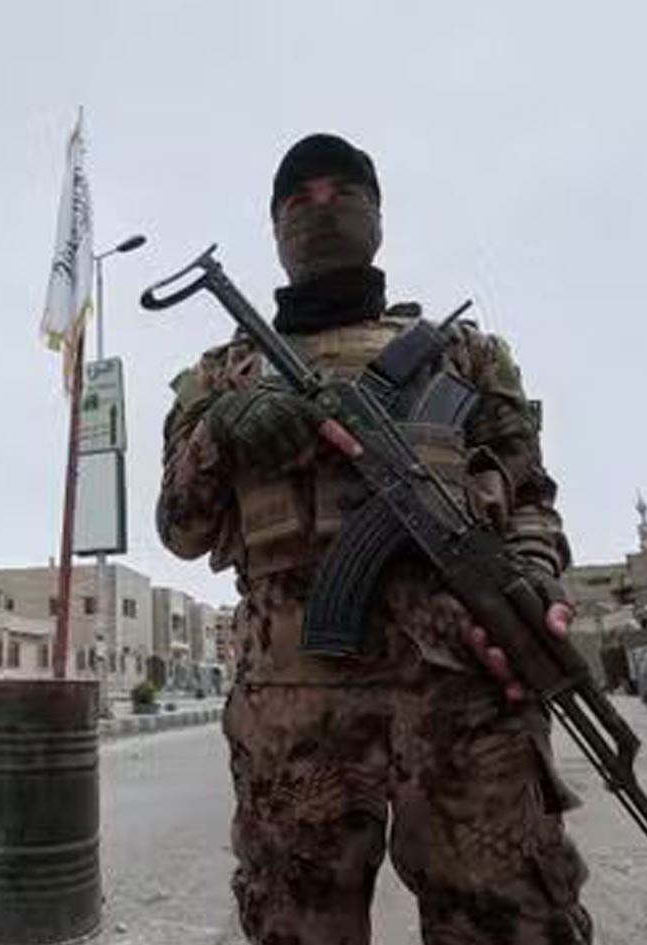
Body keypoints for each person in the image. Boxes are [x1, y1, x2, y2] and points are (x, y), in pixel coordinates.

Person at [157, 133, 592, 944]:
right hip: (293, 704)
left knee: (509, 920)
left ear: (378, 217)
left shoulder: (464, 357)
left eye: (343, 194)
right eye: (298, 200)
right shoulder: (221, 377)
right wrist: (220, 433)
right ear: (275, 230)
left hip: (467, 684)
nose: (320, 210)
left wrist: (535, 581)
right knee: (297, 924)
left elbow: (531, 498)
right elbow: (179, 530)